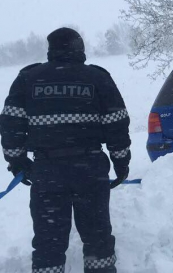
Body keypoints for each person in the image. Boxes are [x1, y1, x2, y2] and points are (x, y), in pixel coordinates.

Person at [0, 28, 131, 273]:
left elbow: (11, 125)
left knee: (49, 243)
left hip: (47, 172)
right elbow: (117, 123)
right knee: (97, 238)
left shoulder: (28, 78)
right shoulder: (97, 77)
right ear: (79, 49)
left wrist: (18, 162)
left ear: (51, 50)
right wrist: (121, 163)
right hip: (90, 170)